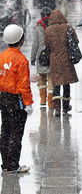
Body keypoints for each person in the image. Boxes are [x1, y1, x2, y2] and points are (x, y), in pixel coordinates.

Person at [0, 24, 33, 173]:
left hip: (3, 97)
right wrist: (28, 103)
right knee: (16, 132)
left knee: (5, 130)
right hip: (16, 100)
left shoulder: (2, 56)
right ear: (21, 40)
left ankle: (6, 163)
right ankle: (13, 164)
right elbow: (23, 85)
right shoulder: (21, 60)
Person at [45, 10, 79, 117]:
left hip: (54, 60)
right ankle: (65, 106)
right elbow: (75, 41)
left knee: (56, 84)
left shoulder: (48, 30)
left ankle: (57, 108)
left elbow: (47, 44)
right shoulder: (67, 28)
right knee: (66, 82)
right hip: (66, 59)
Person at [30, 7, 53, 108]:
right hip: (51, 56)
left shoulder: (38, 28)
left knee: (42, 79)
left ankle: (43, 100)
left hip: (41, 57)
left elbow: (35, 45)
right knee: (51, 79)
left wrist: (32, 59)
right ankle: (50, 102)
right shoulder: (53, 26)